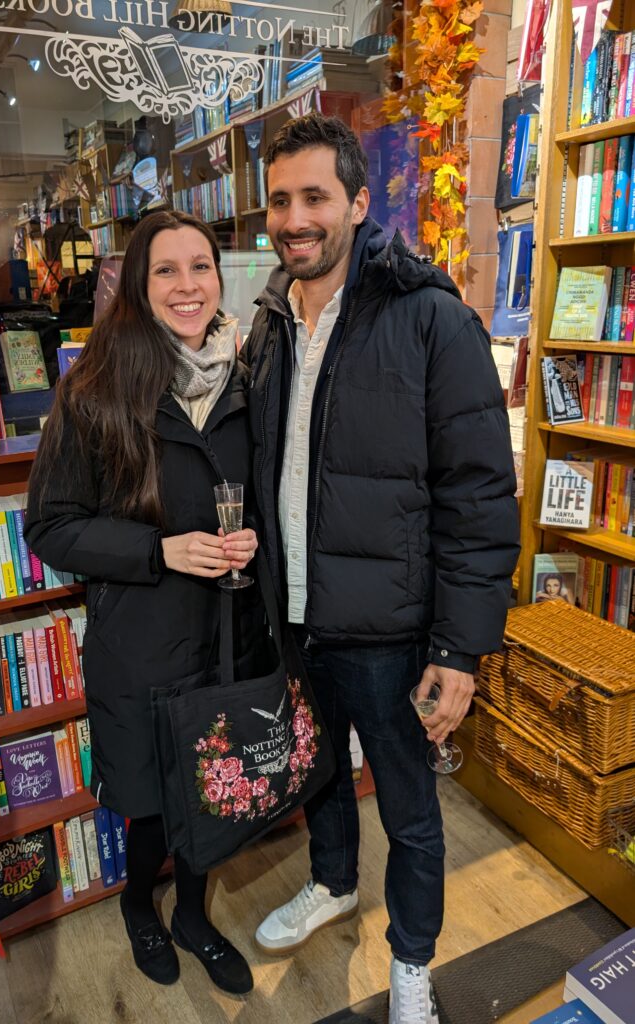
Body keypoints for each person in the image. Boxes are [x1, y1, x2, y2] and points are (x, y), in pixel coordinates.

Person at [240, 113, 520, 1024]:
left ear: (358, 204)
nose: (294, 217)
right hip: (299, 619)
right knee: (316, 774)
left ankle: (410, 962)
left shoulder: (432, 319)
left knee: (407, 810)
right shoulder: (271, 322)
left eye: (314, 196)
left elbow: (478, 497)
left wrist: (460, 650)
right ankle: (330, 883)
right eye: (280, 199)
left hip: (393, 631)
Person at [24, 210, 261, 995]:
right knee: (153, 803)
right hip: (142, 640)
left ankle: (192, 916)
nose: (188, 286)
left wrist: (250, 538)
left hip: (228, 636)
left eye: (201, 266)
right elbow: (51, 527)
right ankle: (137, 905)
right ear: (136, 283)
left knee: (212, 793)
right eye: (167, 270)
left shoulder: (248, 376)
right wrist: (155, 551)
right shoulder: (95, 386)